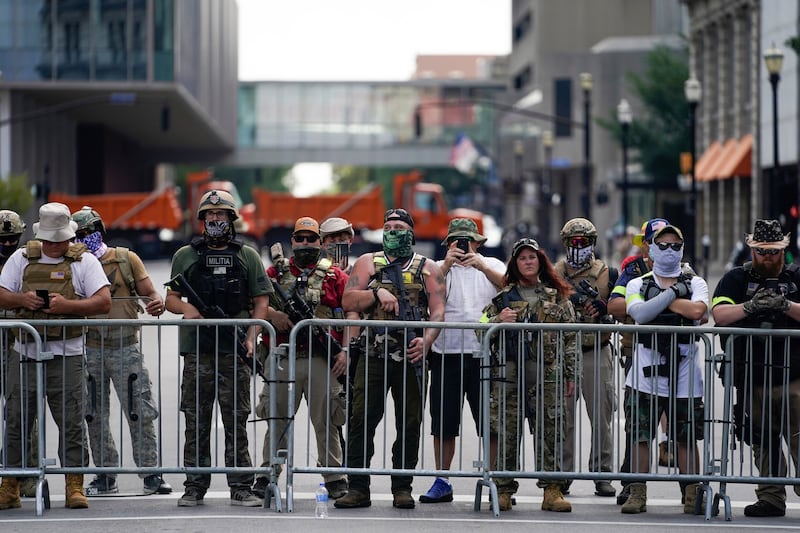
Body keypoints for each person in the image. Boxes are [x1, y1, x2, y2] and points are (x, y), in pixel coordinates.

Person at [0, 202, 111, 510]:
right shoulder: (21, 258)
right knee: (17, 419)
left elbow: (103, 302)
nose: (55, 244)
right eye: (50, 238)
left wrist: (66, 307)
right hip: (24, 352)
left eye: (59, 238)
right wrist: (24, 299)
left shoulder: (85, 261)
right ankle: (9, 484)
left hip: (68, 355)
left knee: (72, 422)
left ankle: (74, 484)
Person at [165, 189, 270, 507]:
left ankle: (240, 485)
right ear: (201, 221)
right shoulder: (185, 255)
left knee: (235, 418)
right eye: (209, 216)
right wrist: (188, 310)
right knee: (196, 419)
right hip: (198, 351)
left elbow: (261, 301)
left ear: (231, 220)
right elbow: (170, 297)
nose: (214, 220)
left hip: (233, 350)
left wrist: (251, 337)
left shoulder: (247, 255)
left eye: (220, 216)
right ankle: (195, 485)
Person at [334, 208, 445, 510]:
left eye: (399, 226)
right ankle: (357, 487)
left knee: (409, 423)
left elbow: (437, 311)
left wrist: (428, 340)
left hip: (412, 356)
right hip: (372, 356)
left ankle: (402, 487)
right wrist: (376, 292)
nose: (393, 231)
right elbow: (348, 300)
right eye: (388, 226)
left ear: (410, 231)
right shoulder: (368, 262)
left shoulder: (428, 268)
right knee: (361, 421)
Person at [70, 207, 172, 496]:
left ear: (100, 230)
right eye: (78, 235)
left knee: (139, 410)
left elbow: (151, 292)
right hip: (89, 348)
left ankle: (151, 472)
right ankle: (105, 474)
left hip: (125, 346)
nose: (85, 238)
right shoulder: (73, 264)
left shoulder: (125, 259)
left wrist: (156, 303)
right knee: (93, 414)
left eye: (89, 232)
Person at [252, 216, 353, 500]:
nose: (306, 244)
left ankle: (334, 475)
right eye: (300, 238)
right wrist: (274, 315)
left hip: (322, 358)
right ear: (292, 241)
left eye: (311, 239)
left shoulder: (335, 276)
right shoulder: (274, 273)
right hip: (284, 356)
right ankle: (269, 473)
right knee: (278, 418)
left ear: (320, 243)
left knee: (327, 420)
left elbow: (351, 314)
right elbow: (255, 303)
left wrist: (345, 350)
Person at [480, 237, 578, 512]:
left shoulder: (555, 296)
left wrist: (571, 375)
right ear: (515, 263)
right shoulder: (503, 297)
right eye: (522, 258)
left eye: (532, 257)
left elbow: (570, 337)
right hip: (510, 376)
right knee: (507, 432)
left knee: (551, 432)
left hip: (547, 375)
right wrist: (498, 321)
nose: (527, 262)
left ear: (540, 261)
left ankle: (552, 490)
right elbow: (480, 327)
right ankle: (503, 489)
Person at [711, 219, 800, 518]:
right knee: (762, 438)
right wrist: (750, 307)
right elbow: (720, 315)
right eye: (761, 251)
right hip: (752, 375)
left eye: (774, 251)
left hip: (794, 376)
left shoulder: (796, 275)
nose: (768, 257)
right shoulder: (736, 279)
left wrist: (785, 305)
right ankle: (771, 497)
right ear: (751, 248)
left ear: (784, 249)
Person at [621, 224, 708, 515]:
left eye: (675, 245)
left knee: (686, 437)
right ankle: (637, 492)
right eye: (664, 245)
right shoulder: (638, 283)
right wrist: (672, 296)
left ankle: (692, 493)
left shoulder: (696, 282)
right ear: (652, 248)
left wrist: (662, 299)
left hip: (685, 375)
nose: (669, 251)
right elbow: (640, 314)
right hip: (645, 375)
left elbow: (699, 312)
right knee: (640, 436)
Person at [420, 218, 504, 504]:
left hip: (485, 355)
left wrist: (480, 264)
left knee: (491, 422)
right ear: (449, 244)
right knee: (443, 423)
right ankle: (442, 480)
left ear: (478, 243)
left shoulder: (493, 265)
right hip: (446, 353)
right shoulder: (437, 267)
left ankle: (494, 478)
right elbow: (424, 292)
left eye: (468, 241)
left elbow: (510, 286)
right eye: (457, 241)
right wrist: (445, 264)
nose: (463, 246)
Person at [553, 218, 617, 498]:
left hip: (595, 350)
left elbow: (617, 306)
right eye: (574, 242)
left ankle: (602, 473)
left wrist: (602, 308)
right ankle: (563, 473)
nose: (579, 247)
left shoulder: (605, 272)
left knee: (601, 416)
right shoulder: (554, 271)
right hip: (563, 352)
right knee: (562, 416)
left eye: (585, 242)